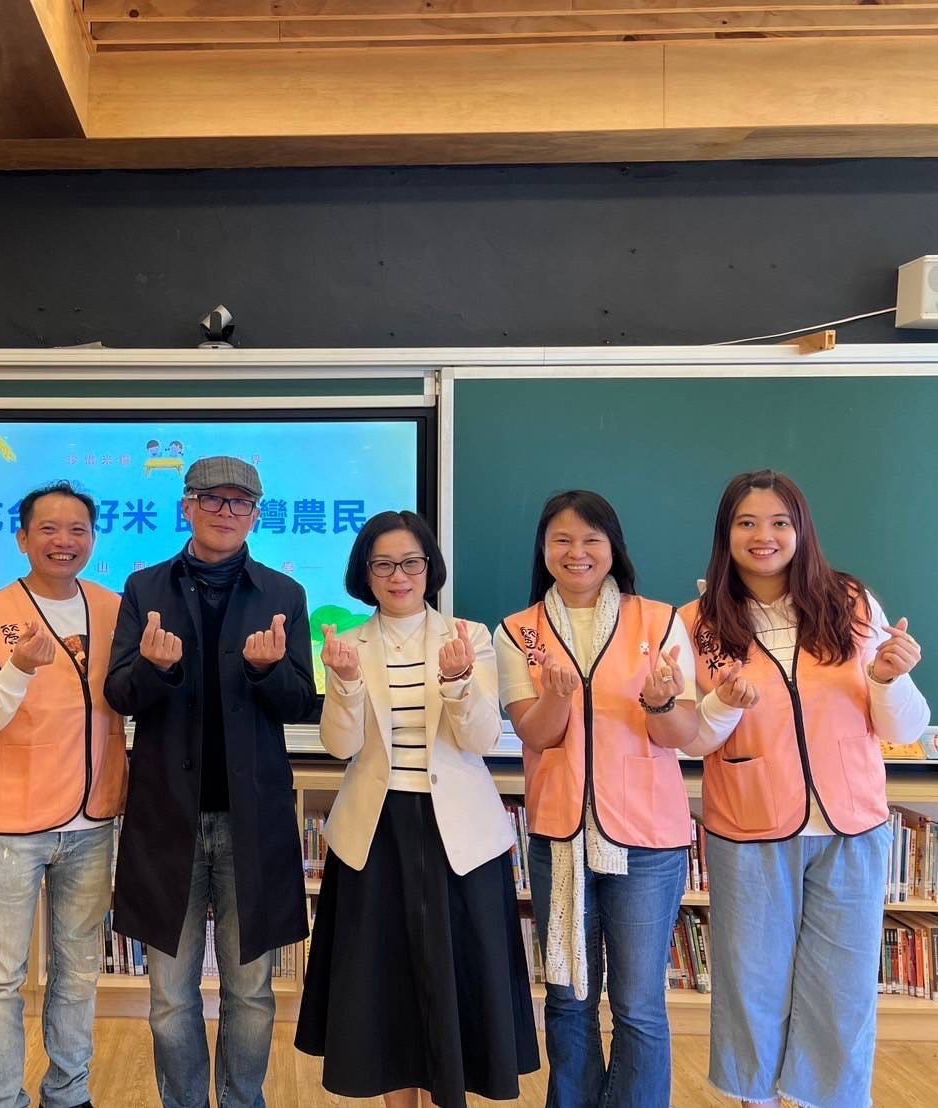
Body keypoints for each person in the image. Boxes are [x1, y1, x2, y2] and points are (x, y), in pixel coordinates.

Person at [682, 469, 929, 1108]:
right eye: (746, 523)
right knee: (753, 984)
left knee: (843, 988)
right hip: (750, 825)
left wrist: (888, 678)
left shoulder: (851, 603)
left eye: (779, 522)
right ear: (726, 534)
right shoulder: (697, 622)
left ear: (801, 530)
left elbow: (902, 727)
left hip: (851, 825)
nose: (763, 536)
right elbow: (690, 739)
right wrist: (723, 704)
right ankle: (756, 1098)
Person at [295, 510, 538, 1107]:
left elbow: (483, 739)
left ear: (430, 566)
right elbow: (340, 747)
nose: (398, 576)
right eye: (383, 564)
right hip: (374, 834)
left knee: (455, 986)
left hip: (459, 836)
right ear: (364, 573)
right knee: (386, 991)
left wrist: (458, 684)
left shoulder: (470, 637)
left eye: (410, 562)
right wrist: (345, 684)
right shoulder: (348, 644)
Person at [104, 456, 313, 1108]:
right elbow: (119, 693)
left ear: (255, 515)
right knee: (170, 993)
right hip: (168, 819)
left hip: (254, 820)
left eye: (239, 502)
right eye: (212, 499)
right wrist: (155, 670)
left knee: (251, 991)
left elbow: (299, 702)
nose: (226, 512)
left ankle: (243, 1100)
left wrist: (266, 672)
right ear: (186, 507)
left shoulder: (283, 594)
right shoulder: (144, 587)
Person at [494, 489, 699, 1108]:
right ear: (543, 549)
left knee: (638, 1004)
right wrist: (557, 696)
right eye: (561, 539)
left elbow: (682, 734)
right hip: (560, 836)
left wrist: (661, 701)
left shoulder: (660, 622)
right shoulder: (518, 631)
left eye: (591, 539)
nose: (576, 552)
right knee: (568, 997)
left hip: (647, 841)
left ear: (613, 547)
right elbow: (535, 734)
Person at [0, 480, 128, 1108]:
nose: (64, 541)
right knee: (1, 977)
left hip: (92, 819)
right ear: (22, 539)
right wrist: (18, 670)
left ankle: (69, 1092)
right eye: (48, 529)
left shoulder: (114, 609)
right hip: (12, 824)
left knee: (79, 971)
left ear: (93, 539)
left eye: (77, 529)